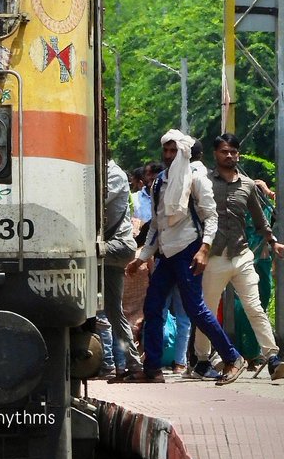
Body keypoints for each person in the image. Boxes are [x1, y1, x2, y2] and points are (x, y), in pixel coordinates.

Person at [127, 130, 245, 384]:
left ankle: (232, 358)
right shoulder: (160, 182)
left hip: (188, 250)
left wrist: (204, 249)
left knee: (196, 309)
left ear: (184, 152)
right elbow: (157, 225)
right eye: (166, 151)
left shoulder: (195, 179)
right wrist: (142, 257)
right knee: (152, 307)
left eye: (174, 151)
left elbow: (211, 217)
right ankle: (153, 368)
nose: (170, 155)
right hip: (166, 255)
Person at [192, 133, 284, 381]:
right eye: (225, 151)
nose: (229, 156)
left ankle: (272, 357)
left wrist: (274, 242)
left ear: (238, 154)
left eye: (233, 152)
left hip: (241, 254)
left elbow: (260, 221)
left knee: (254, 307)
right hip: (213, 257)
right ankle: (202, 360)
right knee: (208, 310)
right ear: (216, 154)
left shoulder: (247, 185)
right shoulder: (203, 182)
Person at [101, 156, 143, 379]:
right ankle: (133, 364)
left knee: (75, 254)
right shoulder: (105, 171)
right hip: (111, 249)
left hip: (117, 246)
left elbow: (97, 201)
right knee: (113, 312)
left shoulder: (113, 173)